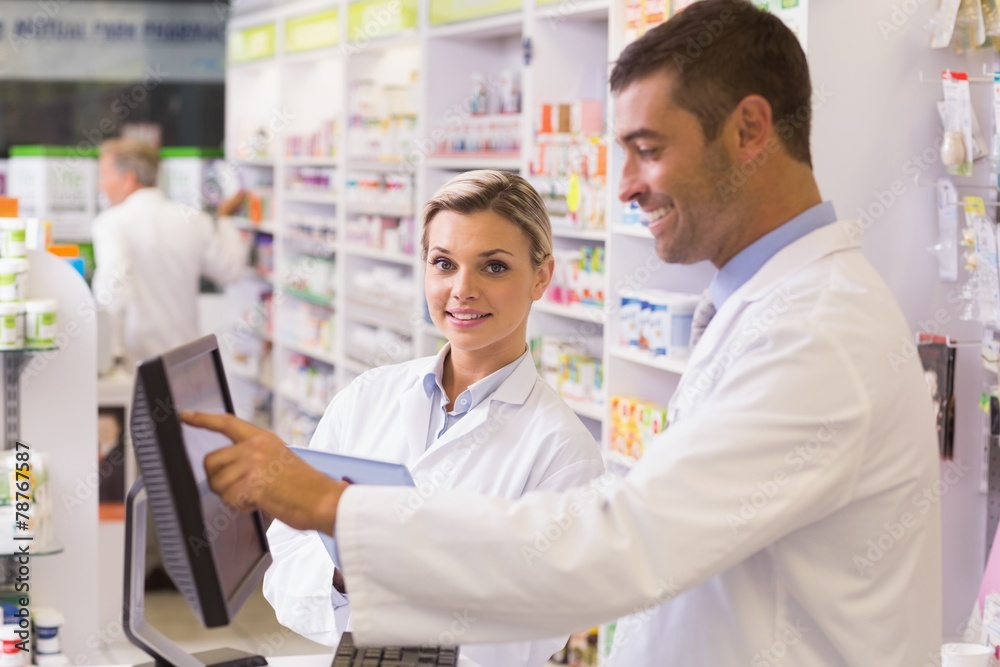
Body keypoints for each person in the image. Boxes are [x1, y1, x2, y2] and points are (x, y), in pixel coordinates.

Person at [186, 2, 943, 664]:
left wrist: (332, 507)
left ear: (749, 129)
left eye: (648, 148)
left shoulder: (816, 329)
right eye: (442, 263)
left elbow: (625, 541)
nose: (624, 184)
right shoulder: (771, 304)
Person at [262, 170, 606, 667]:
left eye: (493, 267)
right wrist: (343, 573)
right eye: (443, 263)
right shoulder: (365, 398)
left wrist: (398, 570)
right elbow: (286, 556)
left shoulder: (563, 452)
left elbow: (534, 633)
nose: (461, 290)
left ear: (541, 276)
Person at [92, 138, 249, 368]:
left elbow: (112, 294)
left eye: (104, 175)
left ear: (128, 179)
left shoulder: (111, 223)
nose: (100, 185)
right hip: (187, 361)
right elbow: (231, 270)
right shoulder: (194, 220)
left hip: (136, 363)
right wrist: (225, 220)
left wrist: (107, 348)